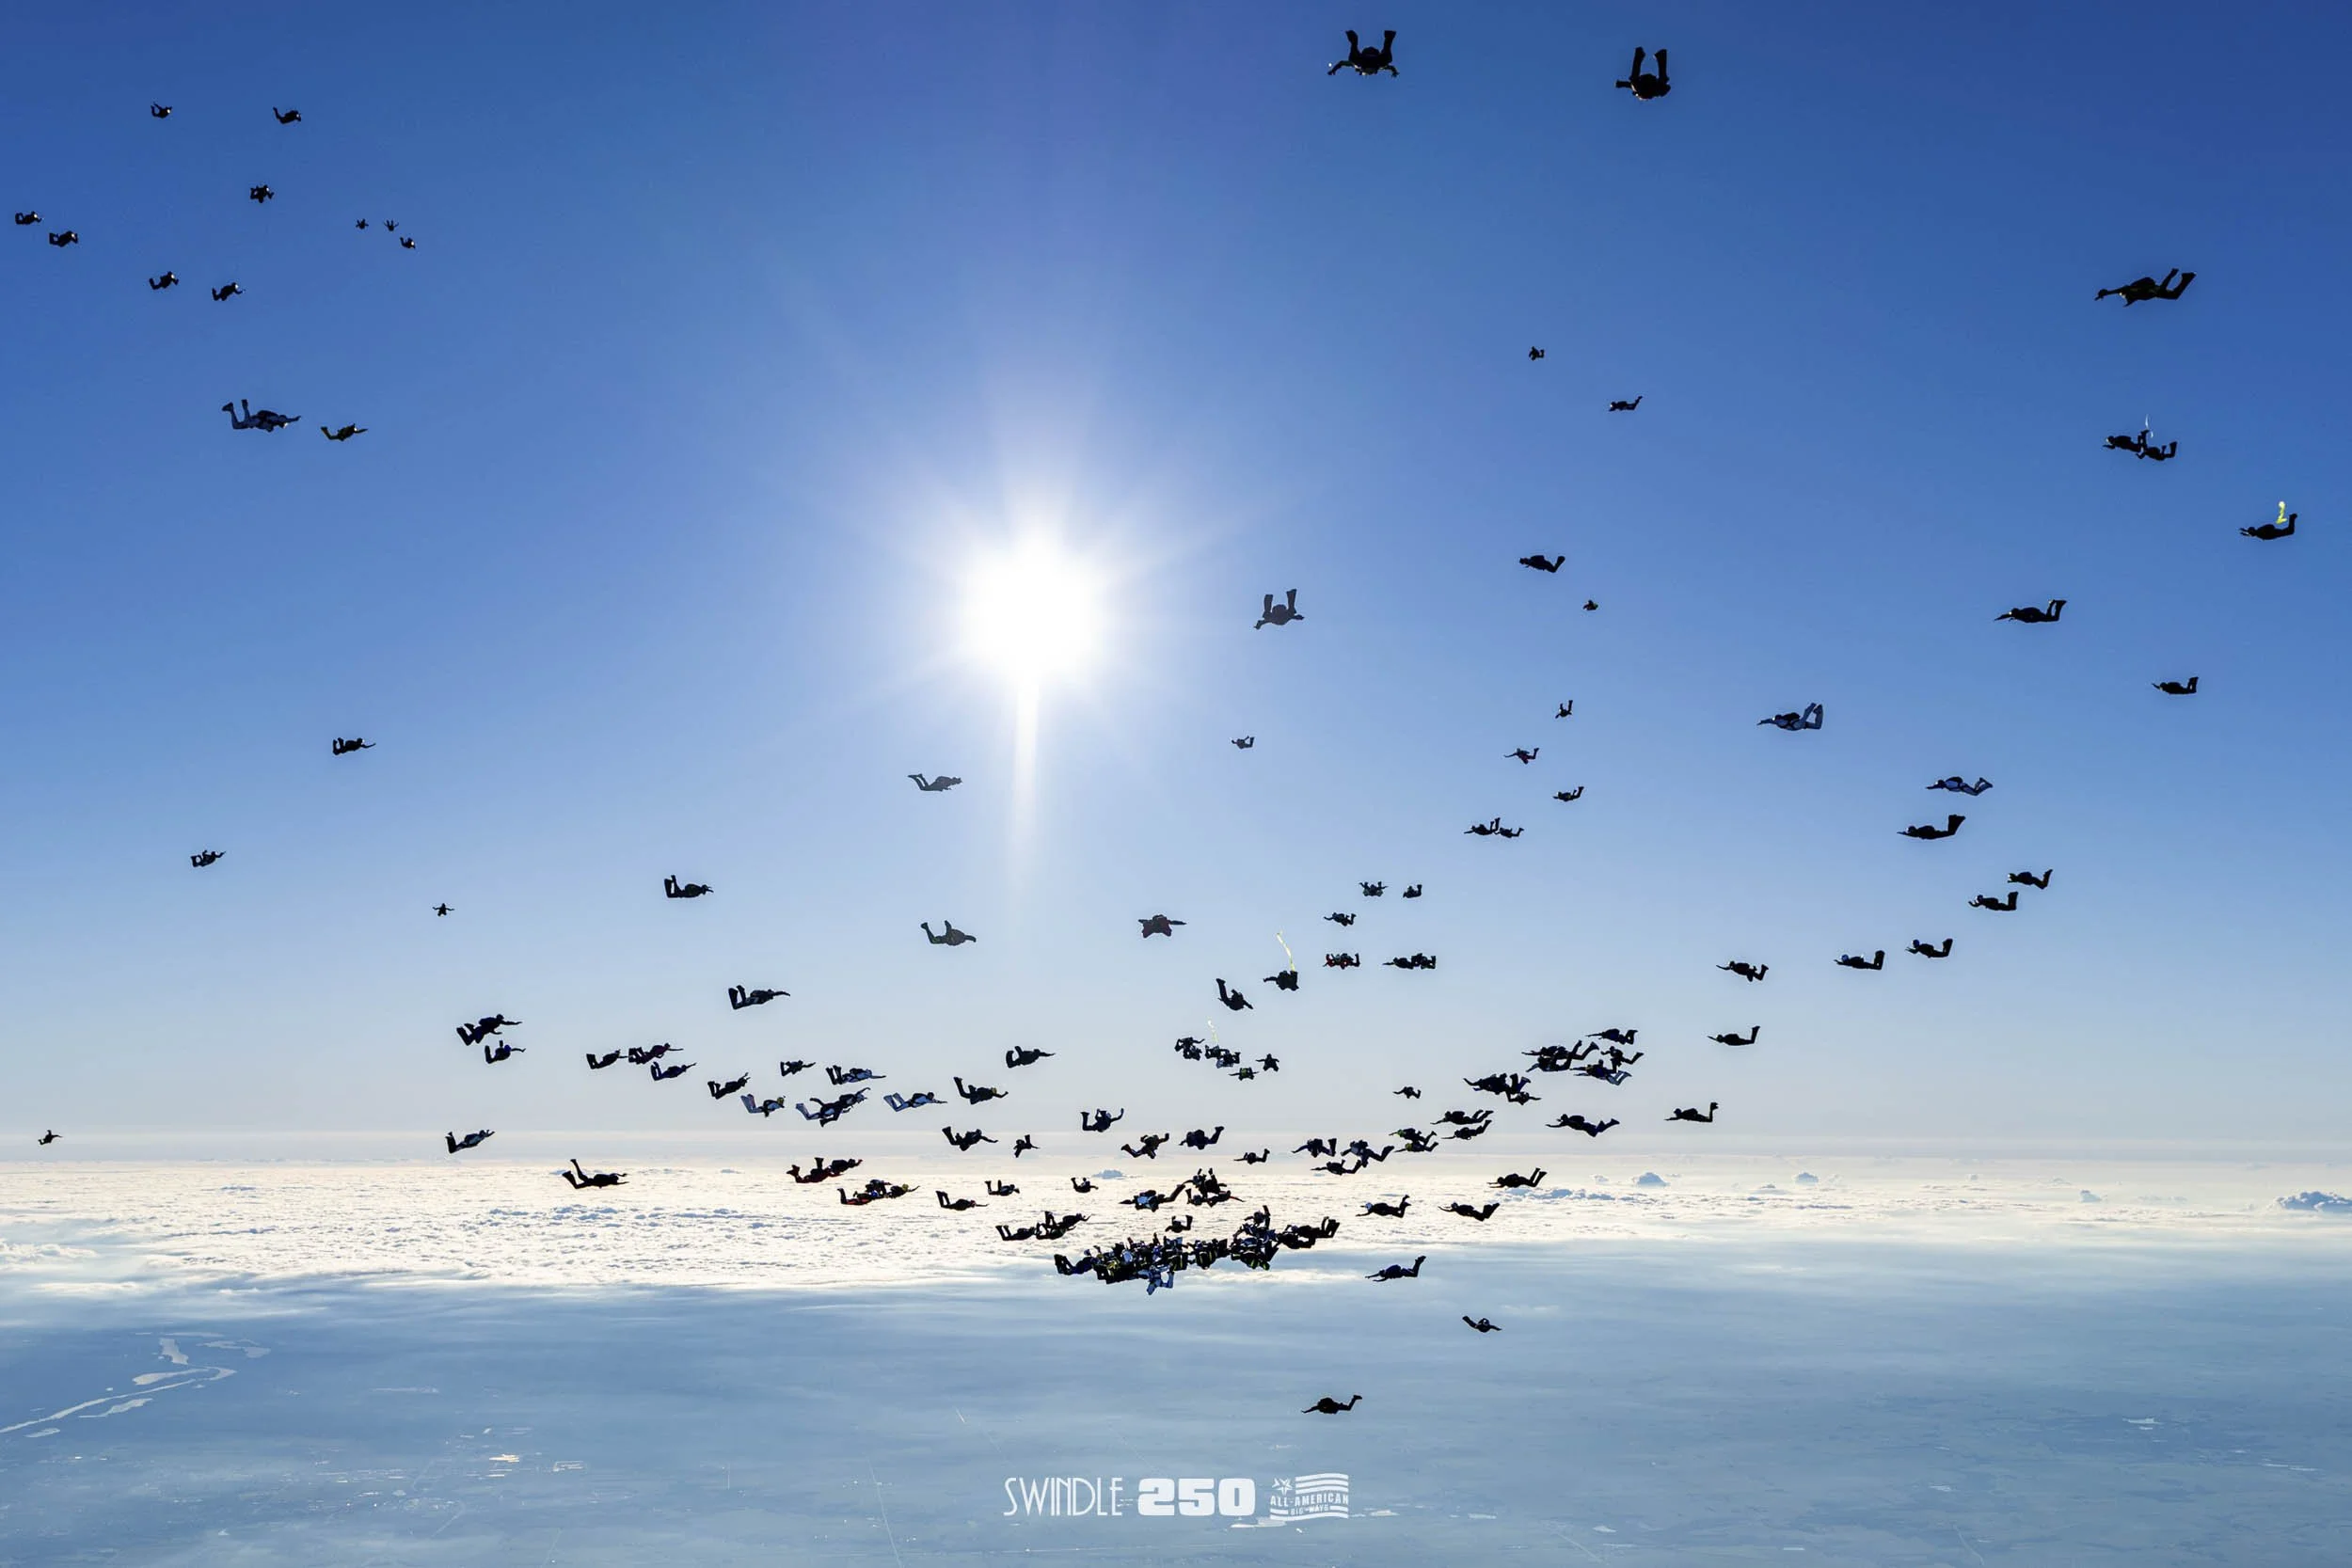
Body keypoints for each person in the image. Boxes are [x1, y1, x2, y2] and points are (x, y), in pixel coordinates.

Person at [2096, 268, 2193, 305]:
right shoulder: (2146, 293)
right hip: (2145, 290)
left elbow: (2120, 290)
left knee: (2172, 295)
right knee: (2174, 295)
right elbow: (2119, 290)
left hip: (2145, 288)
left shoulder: (2143, 291)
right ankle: (2187, 277)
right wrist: (2106, 293)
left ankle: (2187, 277)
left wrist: (2171, 275)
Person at [1327, 28, 1397, 75]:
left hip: (1367, 59)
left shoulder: (1358, 65)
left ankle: (1354, 39)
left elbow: (1341, 63)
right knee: (1387, 58)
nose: (1369, 73)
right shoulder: (1379, 65)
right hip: (1375, 59)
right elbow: (1341, 63)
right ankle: (1389, 37)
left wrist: (1334, 70)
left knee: (1353, 59)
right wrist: (1394, 72)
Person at [1900, 814, 1965, 840]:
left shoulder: (1919, 832)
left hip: (1934, 834)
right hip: (1934, 835)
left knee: (1951, 833)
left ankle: (1953, 818)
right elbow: (1911, 835)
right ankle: (1954, 819)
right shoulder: (1917, 832)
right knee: (1951, 832)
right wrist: (1903, 833)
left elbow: (1929, 828)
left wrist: (1904, 833)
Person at [1996, 599, 2065, 624]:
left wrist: (2033, 617)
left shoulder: (2021, 614)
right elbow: (2006, 615)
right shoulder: (2017, 615)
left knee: (2050, 618)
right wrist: (1999, 618)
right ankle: (2057, 605)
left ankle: (2053, 604)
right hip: (2034, 615)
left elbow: (2009, 614)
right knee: (2053, 618)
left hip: (2035, 614)